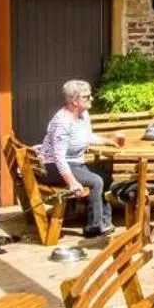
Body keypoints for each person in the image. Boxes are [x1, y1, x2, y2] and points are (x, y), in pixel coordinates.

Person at [39, 79, 108, 238]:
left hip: (74, 163)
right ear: (74, 101)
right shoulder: (63, 122)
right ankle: (94, 227)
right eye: (87, 97)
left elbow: (87, 136)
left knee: (106, 175)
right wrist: (71, 182)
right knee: (96, 181)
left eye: (90, 95)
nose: (91, 99)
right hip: (52, 167)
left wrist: (108, 140)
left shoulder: (83, 114)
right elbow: (59, 158)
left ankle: (105, 220)